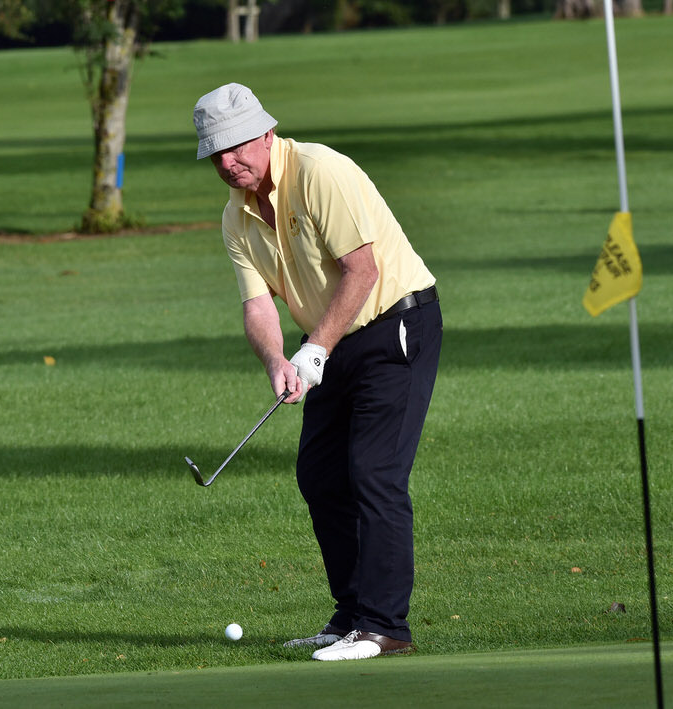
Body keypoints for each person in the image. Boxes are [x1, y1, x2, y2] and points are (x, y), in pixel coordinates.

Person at [193, 83, 442, 662]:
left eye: (236, 147)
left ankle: (385, 627)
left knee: (373, 472)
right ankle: (352, 614)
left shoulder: (319, 170)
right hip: (329, 337)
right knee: (321, 473)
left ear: (265, 133)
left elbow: (361, 270)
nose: (228, 163)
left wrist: (315, 350)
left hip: (394, 322)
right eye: (215, 154)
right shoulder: (236, 217)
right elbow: (258, 306)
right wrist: (279, 361)